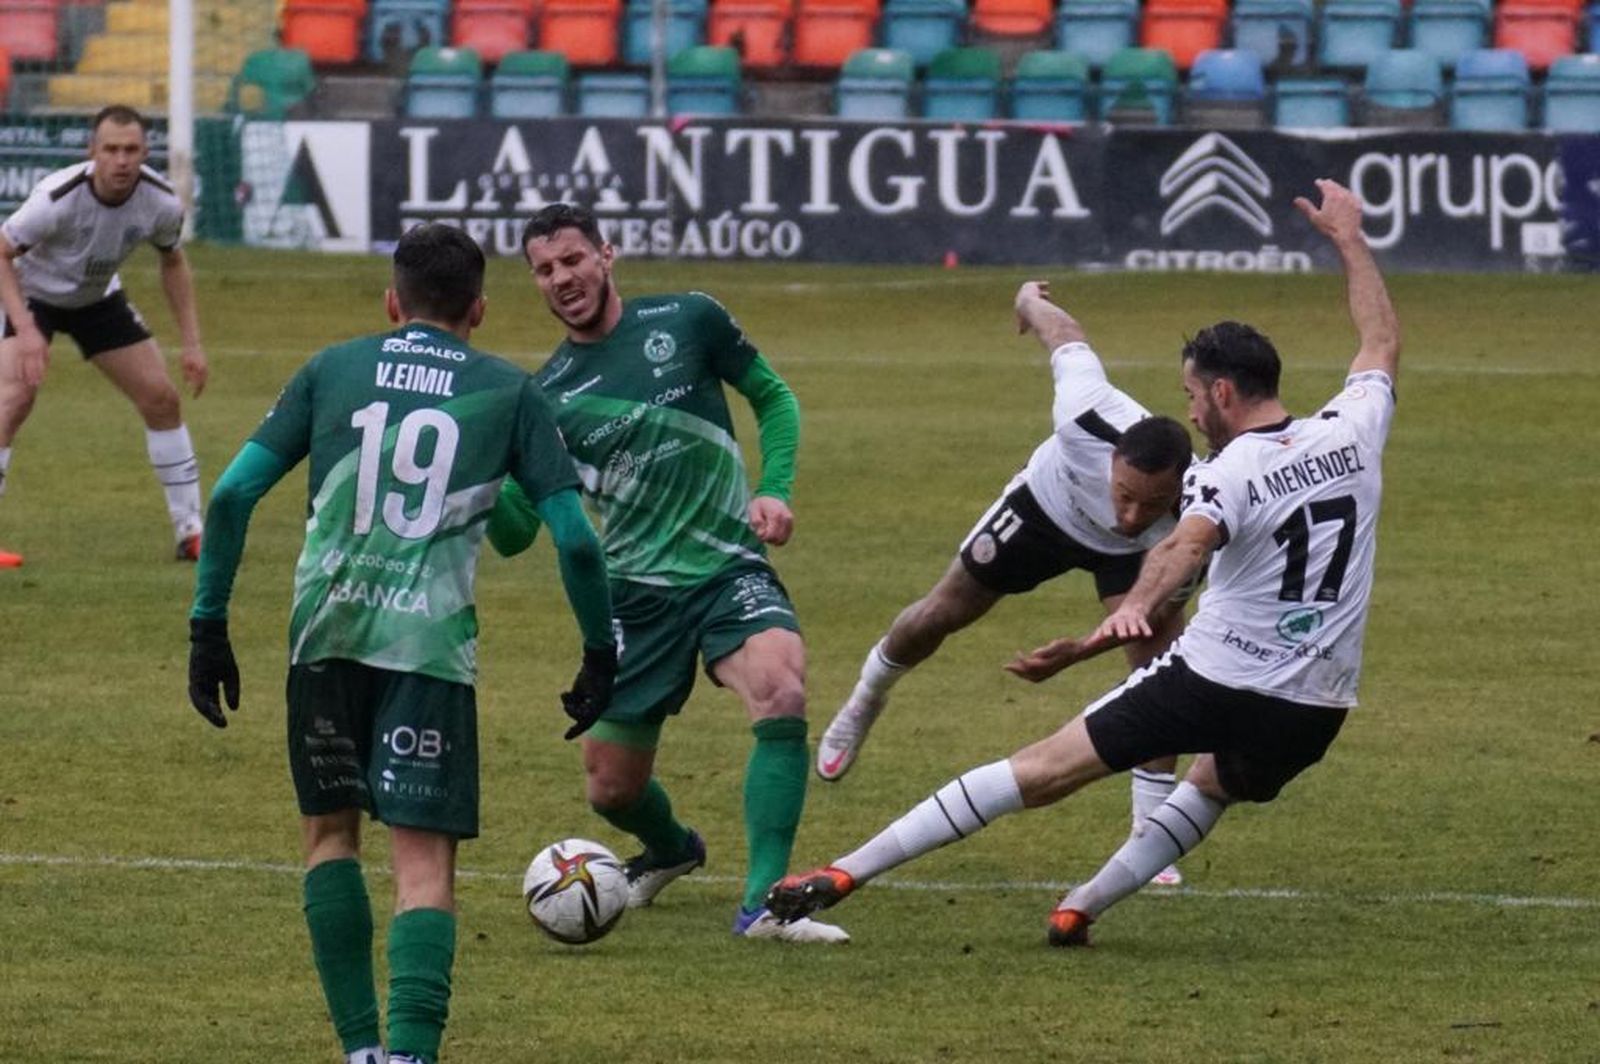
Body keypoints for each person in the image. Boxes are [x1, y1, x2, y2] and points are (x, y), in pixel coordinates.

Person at [765, 179, 1399, 948]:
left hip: (1213, 679)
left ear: (1224, 391)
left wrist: (1115, 624)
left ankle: (843, 873)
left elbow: (1180, 548)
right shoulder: (1355, 428)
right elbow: (1379, 341)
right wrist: (1349, 240)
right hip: (1317, 703)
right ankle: (1082, 907)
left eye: (1195, 396)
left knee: (1039, 772)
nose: (1191, 413)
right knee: (1211, 788)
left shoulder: (1227, 471)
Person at [186, 223, 617, 1064]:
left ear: (392, 303)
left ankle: (359, 1050)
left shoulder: (333, 367)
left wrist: (209, 626)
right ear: (481, 310)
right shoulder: (508, 389)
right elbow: (576, 542)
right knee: (423, 870)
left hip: (324, 635)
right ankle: (411, 1055)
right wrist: (599, 651)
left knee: (329, 840)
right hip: (427, 652)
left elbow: (233, 496)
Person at [491, 201, 847, 943]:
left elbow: (773, 398)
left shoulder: (688, 319)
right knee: (610, 788)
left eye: (573, 260)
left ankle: (762, 906)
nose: (562, 278)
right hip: (638, 597)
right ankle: (672, 849)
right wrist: (482, 482)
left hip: (727, 568)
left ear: (606, 254)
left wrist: (775, 486)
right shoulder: (545, 399)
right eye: (545, 270)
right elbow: (517, 532)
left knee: (781, 686)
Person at [816, 279, 1197, 885]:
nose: (1129, 515)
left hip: (1136, 562)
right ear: (1111, 460)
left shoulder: (1194, 509)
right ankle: (868, 695)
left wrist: (1078, 652)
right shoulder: (1082, 413)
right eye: (1123, 494)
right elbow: (1066, 336)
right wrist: (1028, 301)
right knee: (941, 613)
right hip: (1043, 510)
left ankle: (1150, 832)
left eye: (1148, 505)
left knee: (1157, 666)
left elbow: (1149, 610)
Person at [0, 104, 209, 566]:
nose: (121, 160)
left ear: (145, 152)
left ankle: (192, 532)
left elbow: (172, 260)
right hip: (30, 294)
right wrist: (28, 329)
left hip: (95, 297)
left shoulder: (161, 202)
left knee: (162, 399)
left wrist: (192, 343)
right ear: (91, 151)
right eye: (111, 149)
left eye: (131, 149)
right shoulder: (56, 199)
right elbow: (2, 253)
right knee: (13, 399)